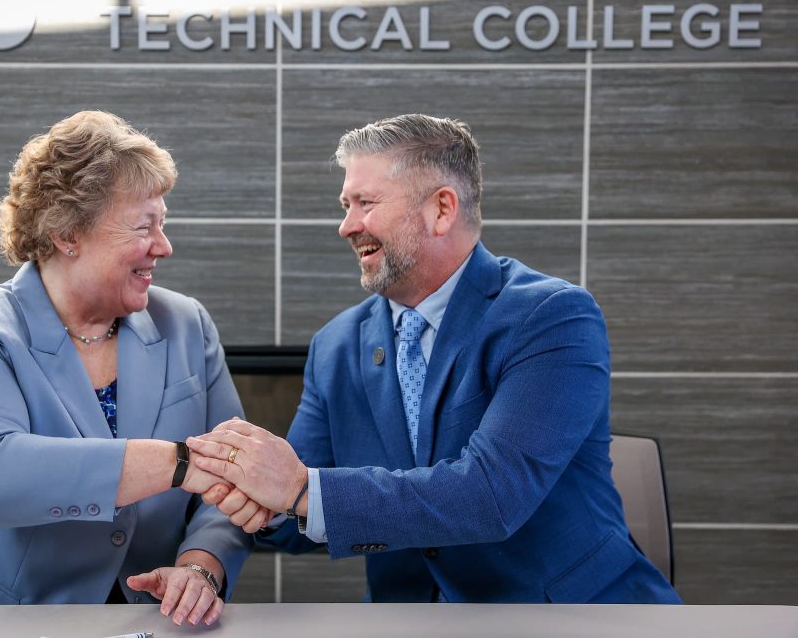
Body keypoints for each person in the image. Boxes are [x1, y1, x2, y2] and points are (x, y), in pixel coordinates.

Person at [189, 114, 682, 604]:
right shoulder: (335, 345)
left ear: (441, 209)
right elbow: (299, 506)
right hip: (409, 621)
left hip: (566, 617)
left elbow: (491, 496)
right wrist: (262, 500)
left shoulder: (552, 318)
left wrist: (297, 490)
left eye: (366, 203)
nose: (346, 226)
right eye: (345, 205)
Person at [0, 110, 268, 626]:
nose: (163, 246)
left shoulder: (185, 323)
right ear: (68, 234)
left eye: (163, 223)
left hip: (134, 619)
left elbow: (232, 486)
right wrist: (178, 462)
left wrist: (199, 568)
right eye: (143, 225)